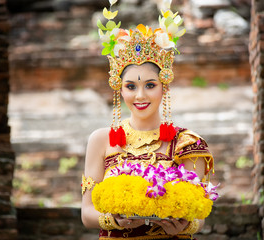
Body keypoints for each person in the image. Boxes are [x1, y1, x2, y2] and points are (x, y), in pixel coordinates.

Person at [81, 1, 215, 239]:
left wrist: (186, 226)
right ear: (119, 90)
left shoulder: (187, 143)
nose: (140, 96)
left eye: (150, 85)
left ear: (164, 87)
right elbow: (87, 213)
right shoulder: (101, 140)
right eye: (131, 86)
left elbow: (199, 216)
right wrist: (114, 221)